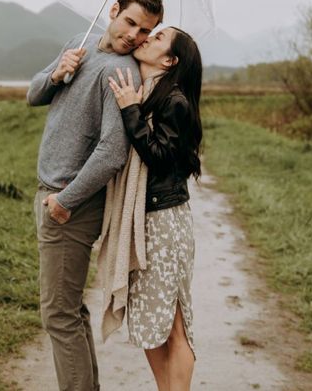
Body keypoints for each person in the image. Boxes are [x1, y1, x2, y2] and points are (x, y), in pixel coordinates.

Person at [27, 0, 164, 391]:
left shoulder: (119, 71)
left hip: (69, 203)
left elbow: (111, 152)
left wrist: (64, 202)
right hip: (51, 191)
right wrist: (56, 73)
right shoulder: (80, 42)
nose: (135, 36)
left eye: (146, 31)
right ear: (114, 10)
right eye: (131, 22)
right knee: (70, 312)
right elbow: (33, 95)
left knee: (58, 315)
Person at [108, 26, 203, 391]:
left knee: (174, 325)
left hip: (166, 223)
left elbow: (160, 158)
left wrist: (131, 112)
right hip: (144, 221)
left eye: (159, 37)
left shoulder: (173, 100)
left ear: (169, 60)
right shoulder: (148, 93)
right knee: (149, 322)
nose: (147, 37)